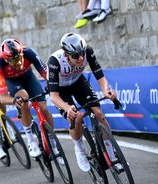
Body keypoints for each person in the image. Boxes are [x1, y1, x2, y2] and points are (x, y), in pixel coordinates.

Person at [47, 32, 118, 172]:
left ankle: (111, 152)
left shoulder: (88, 51)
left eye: (82, 54)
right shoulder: (55, 62)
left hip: (78, 82)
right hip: (60, 91)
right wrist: (67, 108)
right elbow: (54, 96)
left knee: (98, 114)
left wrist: (106, 91)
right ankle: (79, 149)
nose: (80, 58)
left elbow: (100, 76)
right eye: (75, 56)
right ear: (66, 54)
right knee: (77, 116)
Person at [0, 39, 54, 158]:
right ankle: (31, 141)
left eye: (19, 57)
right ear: (6, 59)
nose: (18, 62)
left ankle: (52, 142)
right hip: (12, 81)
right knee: (23, 99)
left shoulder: (29, 52)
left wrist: (51, 85)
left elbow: (45, 73)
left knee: (44, 108)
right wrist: (14, 101)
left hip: (28, 77)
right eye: (13, 60)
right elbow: (3, 98)